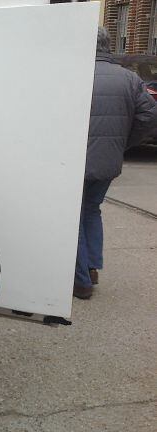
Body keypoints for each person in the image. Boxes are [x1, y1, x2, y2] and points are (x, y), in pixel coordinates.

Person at [74, 27, 157, 300]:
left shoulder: (73, 74)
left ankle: (82, 281)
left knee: (73, 216)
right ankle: (92, 267)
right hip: (108, 161)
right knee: (92, 210)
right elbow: (149, 118)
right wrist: (122, 143)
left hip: (73, 161)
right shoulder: (130, 79)